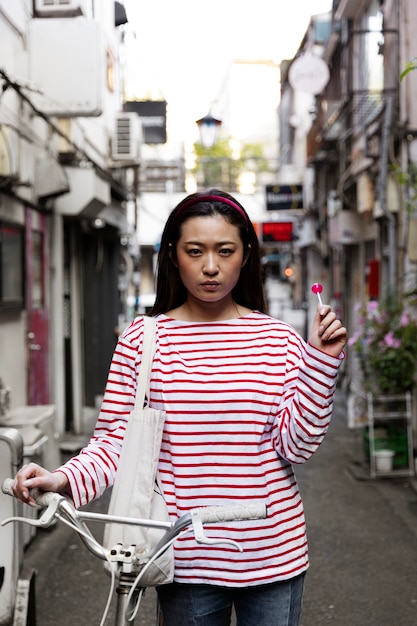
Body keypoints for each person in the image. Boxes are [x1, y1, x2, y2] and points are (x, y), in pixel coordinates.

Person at [13, 189, 347, 626]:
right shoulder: (144, 341)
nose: (211, 266)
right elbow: (116, 442)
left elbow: (297, 447)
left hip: (272, 555)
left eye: (225, 251)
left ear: (245, 255)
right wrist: (62, 478)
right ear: (173, 255)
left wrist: (321, 361)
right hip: (183, 557)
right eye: (196, 251)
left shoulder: (278, 340)